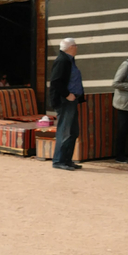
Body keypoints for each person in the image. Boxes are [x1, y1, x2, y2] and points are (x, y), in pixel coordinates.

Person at [49, 38, 84, 171]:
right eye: (75, 45)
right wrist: (67, 94)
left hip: (72, 100)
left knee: (73, 132)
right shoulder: (62, 61)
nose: (77, 48)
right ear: (70, 47)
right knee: (65, 131)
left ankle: (67, 160)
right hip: (65, 101)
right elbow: (56, 82)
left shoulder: (69, 60)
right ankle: (58, 160)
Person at [111, 42, 128, 162]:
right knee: (123, 130)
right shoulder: (127, 65)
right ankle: (119, 155)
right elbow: (116, 83)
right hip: (124, 104)